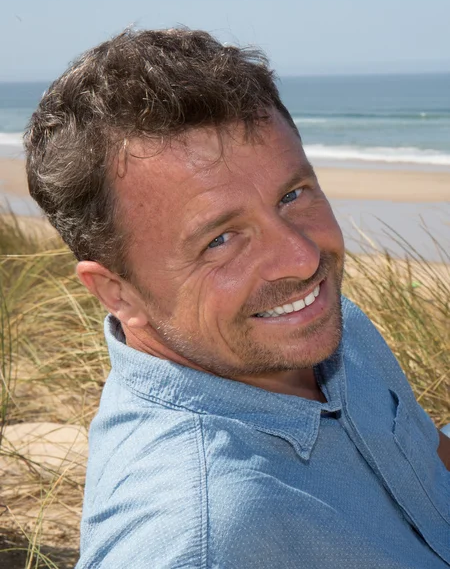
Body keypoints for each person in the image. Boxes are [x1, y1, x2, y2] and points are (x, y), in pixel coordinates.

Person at [25, 29, 450, 569]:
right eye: (220, 240)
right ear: (117, 291)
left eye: (292, 195)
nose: (301, 259)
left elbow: (425, 464)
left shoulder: (317, 323)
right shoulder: (196, 533)